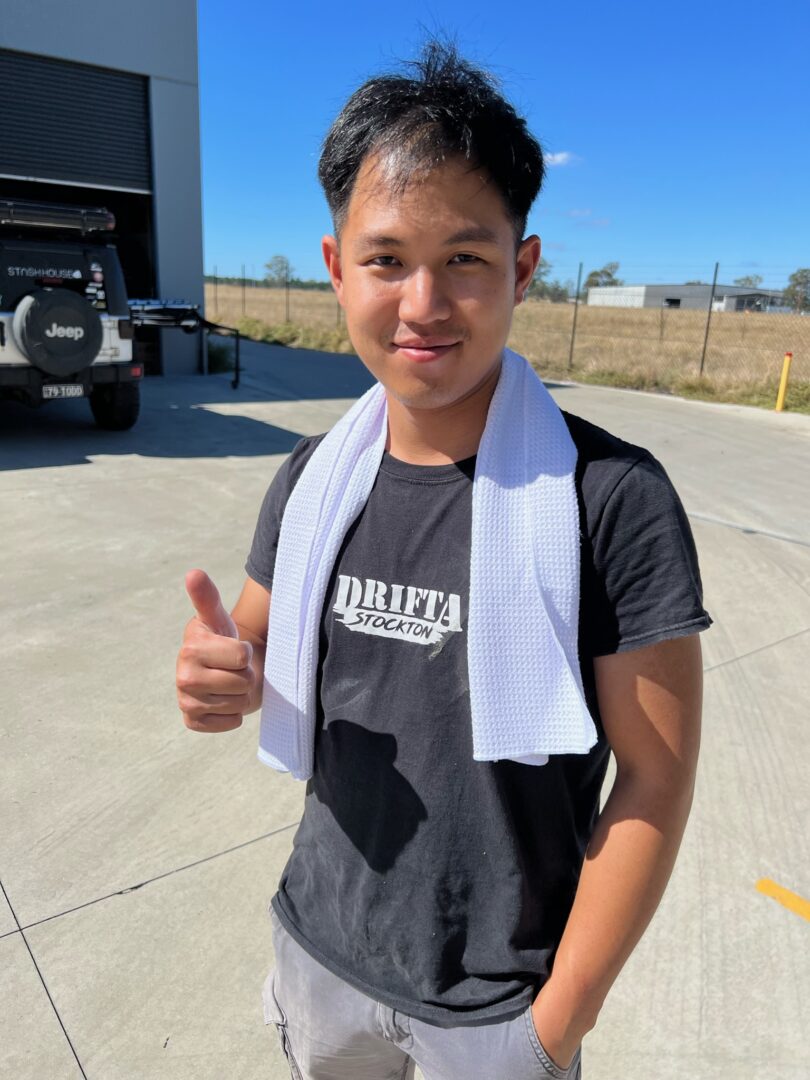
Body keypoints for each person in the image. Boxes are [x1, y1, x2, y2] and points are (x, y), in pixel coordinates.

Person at [176, 41, 712, 1080]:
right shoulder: (311, 479)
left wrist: (552, 1028)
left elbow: (656, 777)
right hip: (320, 951)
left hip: (501, 1008)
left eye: (464, 259)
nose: (422, 303)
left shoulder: (612, 498)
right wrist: (218, 677)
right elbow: (251, 644)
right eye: (386, 260)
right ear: (336, 268)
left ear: (523, 267)